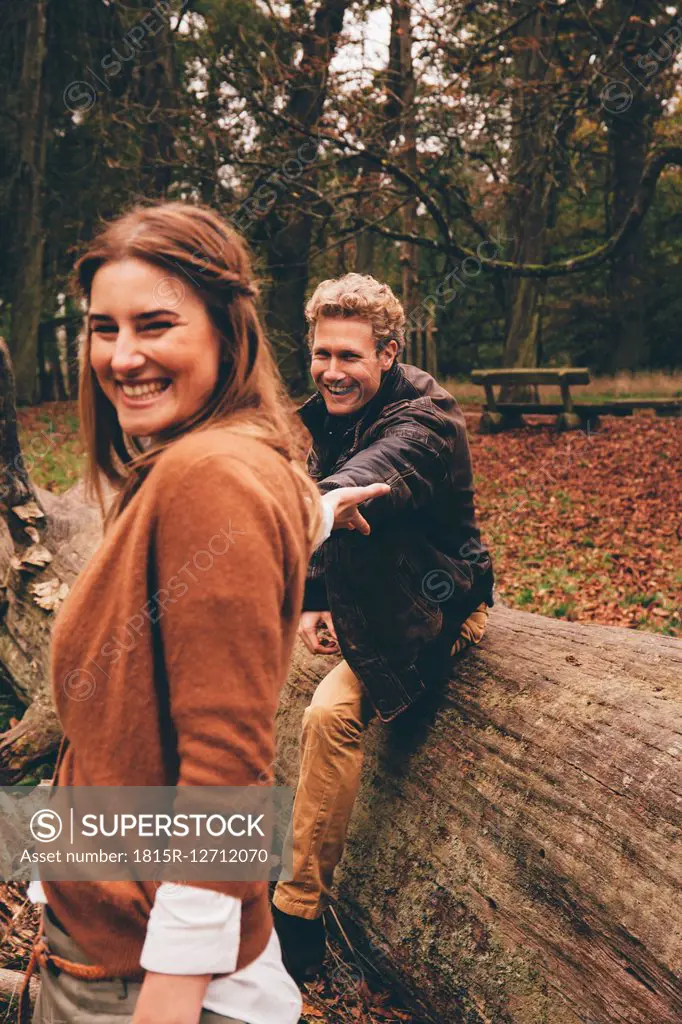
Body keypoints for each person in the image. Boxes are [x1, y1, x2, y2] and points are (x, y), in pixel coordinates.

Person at [18, 204, 389, 1024]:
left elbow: (227, 761)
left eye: (155, 325)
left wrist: (173, 995)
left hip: (136, 984)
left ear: (227, 330)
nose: (122, 356)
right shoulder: (241, 461)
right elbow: (259, 531)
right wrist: (321, 513)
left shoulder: (208, 477)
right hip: (103, 948)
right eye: (102, 328)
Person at [272, 273, 494, 982]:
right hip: (366, 596)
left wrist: (328, 500)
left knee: (328, 713)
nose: (332, 371)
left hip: (436, 605)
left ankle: (297, 919)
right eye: (321, 354)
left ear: (388, 353)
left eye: (349, 356)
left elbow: (378, 470)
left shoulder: (426, 420)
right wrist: (312, 597)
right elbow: (327, 486)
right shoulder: (332, 415)